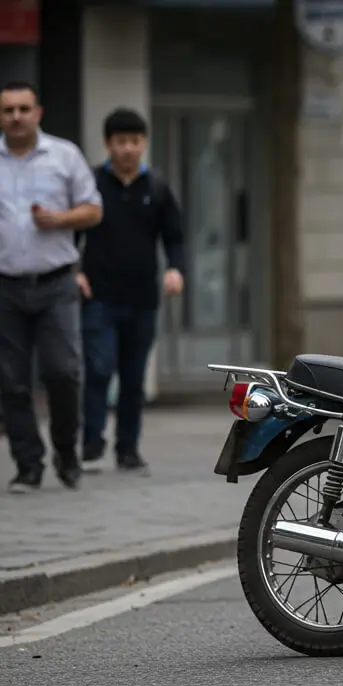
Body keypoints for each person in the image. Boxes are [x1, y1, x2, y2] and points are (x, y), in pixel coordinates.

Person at [0, 81, 104, 493]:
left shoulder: (64, 155)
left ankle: (66, 450)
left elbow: (94, 210)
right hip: (6, 287)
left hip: (56, 282)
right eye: (8, 110)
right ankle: (28, 465)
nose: (16, 117)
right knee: (11, 381)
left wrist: (60, 220)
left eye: (24, 108)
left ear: (38, 113)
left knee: (63, 372)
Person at [77, 108, 186, 474]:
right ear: (109, 144)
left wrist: (175, 269)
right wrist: (75, 272)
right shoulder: (90, 185)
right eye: (121, 141)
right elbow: (69, 235)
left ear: (143, 143)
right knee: (98, 367)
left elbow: (174, 236)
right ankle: (92, 445)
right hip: (99, 297)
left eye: (134, 141)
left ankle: (128, 450)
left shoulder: (155, 187)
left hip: (143, 300)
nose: (128, 148)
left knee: (133, 378)